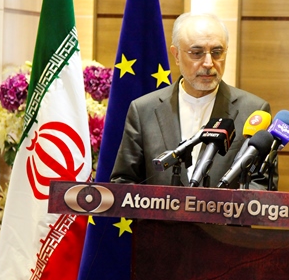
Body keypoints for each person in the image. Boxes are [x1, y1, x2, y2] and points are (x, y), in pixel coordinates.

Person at [111, 12, 275, 189]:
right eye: (197, 53)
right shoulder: (143, 110)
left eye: (217, 52)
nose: (208, 63)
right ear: (176, 55)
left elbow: (262, 184)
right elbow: (124, 182)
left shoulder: (254, 112)